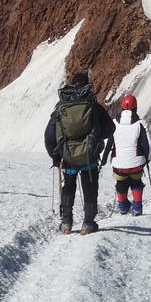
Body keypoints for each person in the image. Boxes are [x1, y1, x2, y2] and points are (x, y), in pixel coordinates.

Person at [44, 71, 112, 235]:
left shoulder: (62, 106)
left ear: (73, 85)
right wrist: (95, 139)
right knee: (90, 189)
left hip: (67, 156)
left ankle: (66, 223)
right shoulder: (93, 105)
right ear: (86, 84)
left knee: (68, 189)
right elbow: (110, 128)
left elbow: (50, 135)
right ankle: (88, 223)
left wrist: (56, 157)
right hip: (89, 156)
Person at [104, 94, 151, 216]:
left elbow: (108, 144)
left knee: (121, 183)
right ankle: (137, 208)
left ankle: (123, 206)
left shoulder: (114, 123)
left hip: (119, 164)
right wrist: (147, 159)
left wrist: (103, 160)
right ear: (135, 108)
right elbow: (148, 145)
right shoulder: (141, 124)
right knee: (136, 182)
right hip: (137, 163)